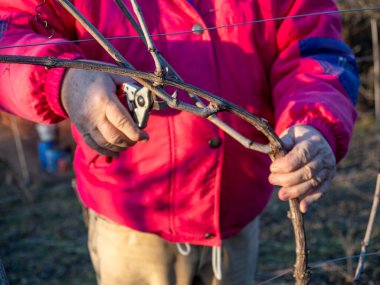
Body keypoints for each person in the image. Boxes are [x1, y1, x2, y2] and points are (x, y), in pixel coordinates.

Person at [0, 0, 358, 284]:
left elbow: (316, 48)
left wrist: (313, 121)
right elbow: (10, 32)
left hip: (239, 215)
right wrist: (62, 80)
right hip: (132, 221)